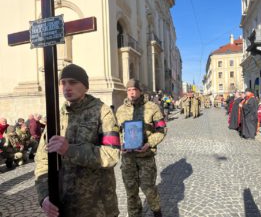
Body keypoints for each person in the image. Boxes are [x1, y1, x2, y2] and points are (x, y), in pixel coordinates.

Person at [34, 64, 121, 217]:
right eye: (63, 82)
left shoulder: (102, 111)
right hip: (64, 206)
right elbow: (42, 159)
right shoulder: (57, 115)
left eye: (73, 82)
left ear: (85, 86)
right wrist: (44, 196)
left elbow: (111, 154)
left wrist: (70, 150)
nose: (67, 87)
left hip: (97, 207)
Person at [116, 79, 167, 217]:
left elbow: (162, 129)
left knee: (149, 189)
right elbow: (117, 132)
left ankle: (157, 211)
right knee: (131, 192)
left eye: (134, 90)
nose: (132, 93)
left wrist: (149, 143)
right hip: (128, 159)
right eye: (129, 90)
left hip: (146, 157)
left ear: (140, 91)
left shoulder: (152, 107)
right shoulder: (120, 110)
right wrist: (121, 145)